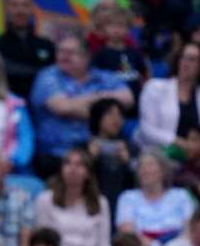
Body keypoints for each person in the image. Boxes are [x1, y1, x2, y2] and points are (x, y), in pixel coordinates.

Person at [30, 35, 134, 175]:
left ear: (87, 57)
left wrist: (88, 101)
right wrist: (103, 108)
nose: (64, 56)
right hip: (58, 154)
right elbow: (63, 107)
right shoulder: (48, 76)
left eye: (71, 52)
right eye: (61, 51)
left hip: (99, 150)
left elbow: (128, 99)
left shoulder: (103, 77)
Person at [32, 147, 112, 246]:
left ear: (88, 172)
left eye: (79, 165)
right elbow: (42, 242)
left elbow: (104, 244)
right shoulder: (45, 200)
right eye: (68, 163)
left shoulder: (101, 203)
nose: (73, 169)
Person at [136, 40, 200, 151]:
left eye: (192, 59)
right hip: (157, 152)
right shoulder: (155, 87)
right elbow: (146, 129)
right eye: (183, 57)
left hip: (192, 156)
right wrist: (178, 142)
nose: (185, 63)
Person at [116, 150, 196, 246]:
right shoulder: (128, 197)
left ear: (163, 171)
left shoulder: (181, 195)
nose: (144, 170)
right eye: (141, 166)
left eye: (150, 165)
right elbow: (126, 230)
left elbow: (191, 227)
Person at [0, 0, 56, 101]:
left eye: (25, 5)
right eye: (15, 5)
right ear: (7, 8)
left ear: (32, 8)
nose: (20, 10)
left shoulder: (47, 46)